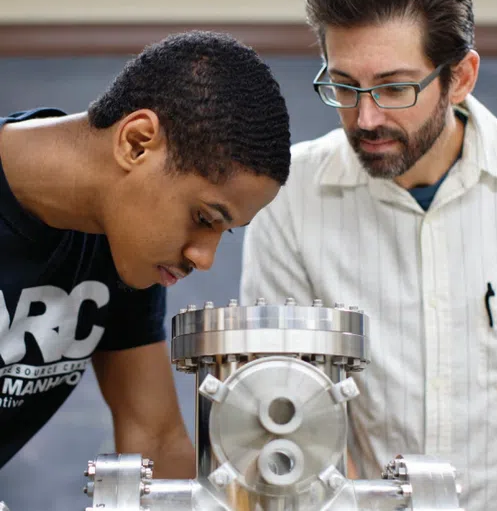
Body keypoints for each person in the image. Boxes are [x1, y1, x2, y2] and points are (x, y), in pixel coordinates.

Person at [240, 0, 497, 509]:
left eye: (394, 89)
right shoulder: (291, 199)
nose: (364, 119)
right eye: (344, 86)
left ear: (460, 77)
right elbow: (283, 422)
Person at [0, 30, 291, 479]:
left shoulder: (118, 239)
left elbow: (153, 438)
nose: (205, 257)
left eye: (225, 232)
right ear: (136, 143)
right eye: (203, 217)